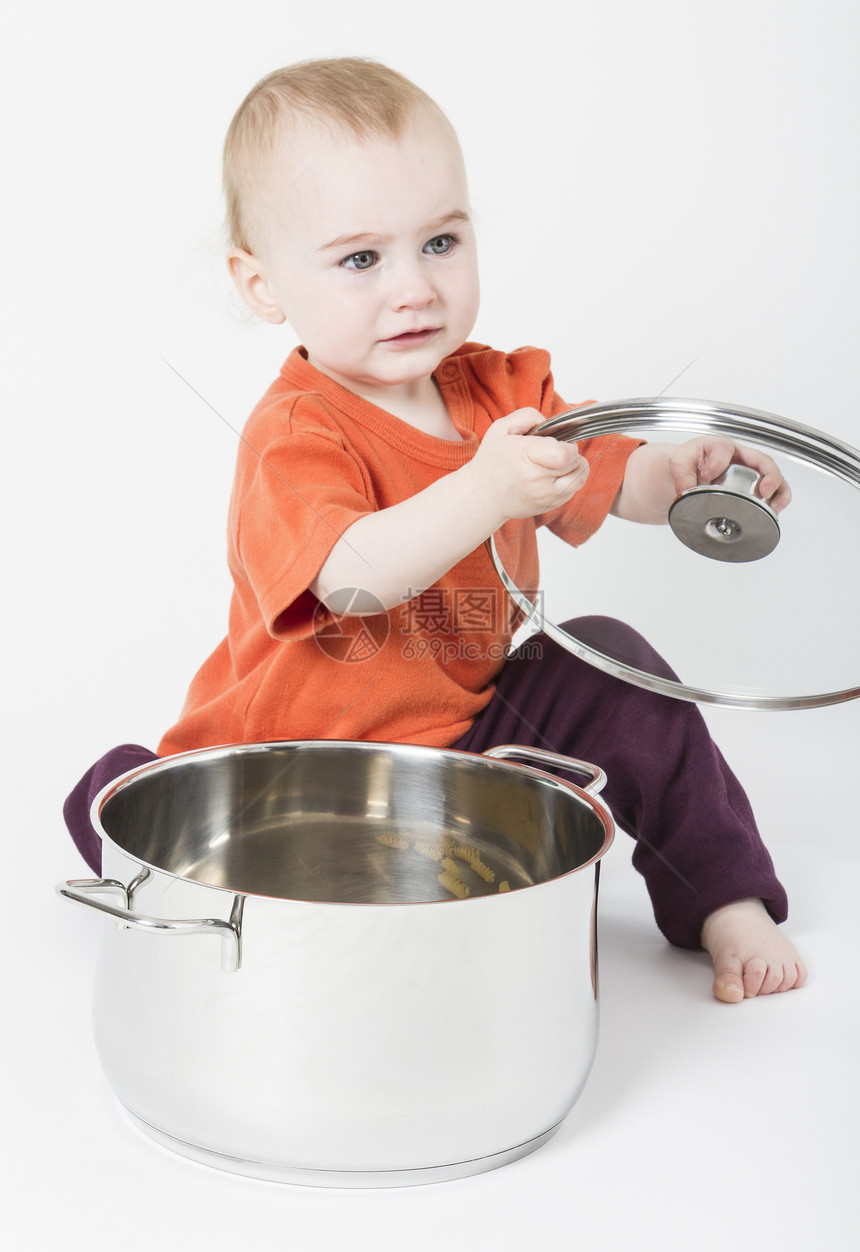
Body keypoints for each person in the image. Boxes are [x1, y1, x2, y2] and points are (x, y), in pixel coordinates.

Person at [64, 57, 806, 1005]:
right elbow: (350, 580)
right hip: (299, 765)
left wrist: (685, 474)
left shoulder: (498, 388)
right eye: (361, 259)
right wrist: (488, 489)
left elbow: (613, 475)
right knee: (143, 800)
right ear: (262, 285)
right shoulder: (297, 433)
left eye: (442, 242)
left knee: (621, 666)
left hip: (474, 742)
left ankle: (723, 897)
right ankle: (138, 828)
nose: (414, 288)